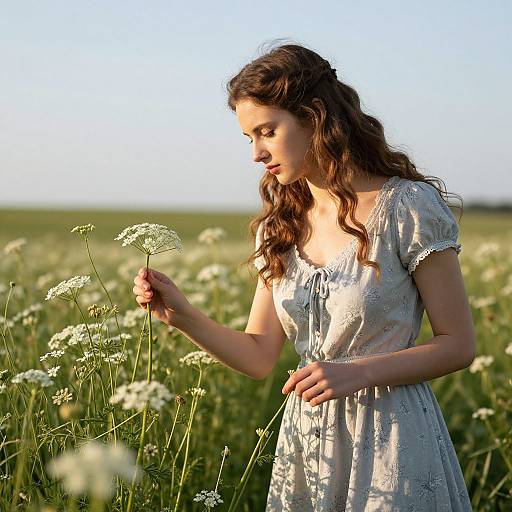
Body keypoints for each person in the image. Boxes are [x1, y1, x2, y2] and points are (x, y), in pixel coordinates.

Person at [132, 42, 475, 511]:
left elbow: (459, 344)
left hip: (391, 436)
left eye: (267, 131)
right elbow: (258, 356)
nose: (256, 153)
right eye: (249, 138)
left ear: (314, 116)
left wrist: (357, 373)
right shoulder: (279, 227)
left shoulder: (407, 207)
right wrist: (181, 315)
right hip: (306, 445)